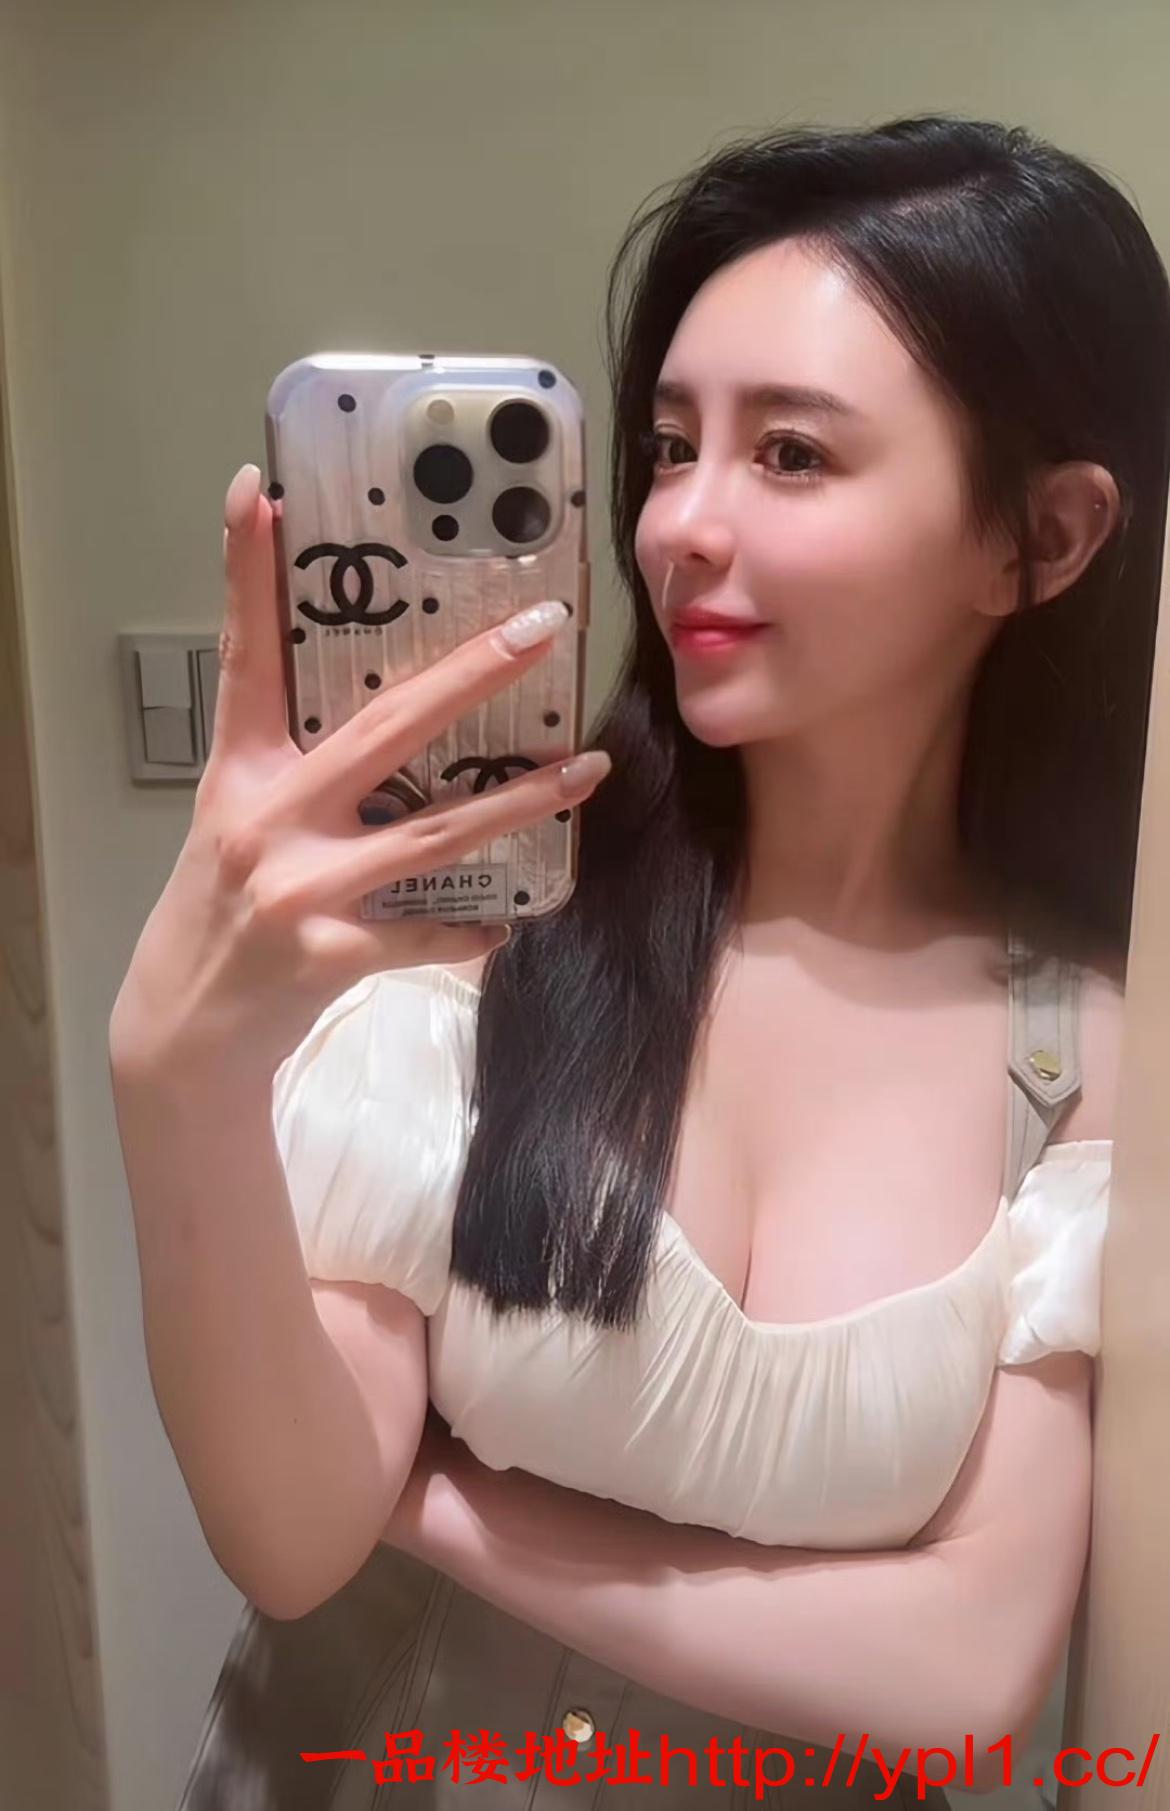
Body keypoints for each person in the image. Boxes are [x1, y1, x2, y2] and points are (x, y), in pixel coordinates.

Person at [109, 112, 1169, 1810]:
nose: (679, 523)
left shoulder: (1084, 1054)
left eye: (791, 455)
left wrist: (439, 1505)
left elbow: (967, 1675)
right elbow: (294, 1536)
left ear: (1036, 539)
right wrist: (181, 1077)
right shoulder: (484, 928)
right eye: (671, 446)